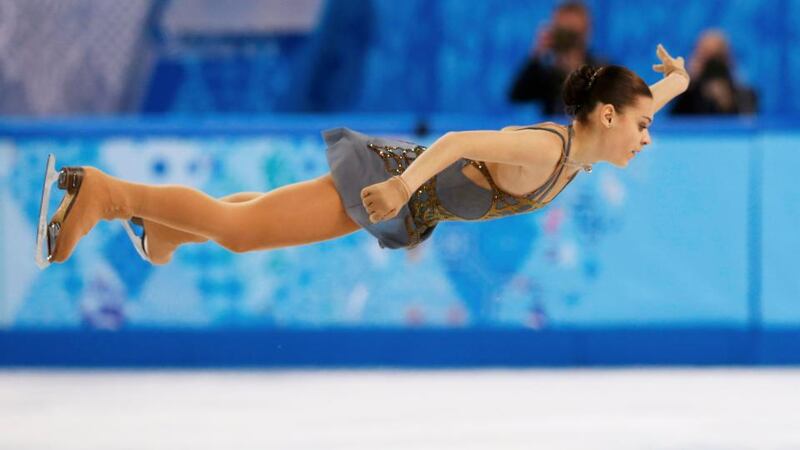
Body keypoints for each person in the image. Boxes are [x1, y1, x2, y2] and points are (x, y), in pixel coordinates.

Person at [35, 44, 690, 269]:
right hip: (386, 183)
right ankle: (105, 194)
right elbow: (458, 143)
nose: (647, 136)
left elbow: (648, 95)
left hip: (398, 194)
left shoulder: (582, 147)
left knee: (247, 215)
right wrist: (404, 191)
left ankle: (162, 230)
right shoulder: (543, 150)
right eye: (643, 125)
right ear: (606, 117)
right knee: (239, 232)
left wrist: (678, 81)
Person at [508, 1, 604, 115]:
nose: (569, 40)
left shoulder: (601, 70)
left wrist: (576, 69)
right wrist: (536, 55)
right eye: (564, 32)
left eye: (573, 34)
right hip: (551, 130)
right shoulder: (546, 72)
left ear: (587, 32)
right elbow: (516, 96)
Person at [670, 29, 757, 115]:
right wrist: (687, 81)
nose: (711, 66)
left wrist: (728, 102)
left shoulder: (744, 93)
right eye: (704, 55)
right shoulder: (686, 92)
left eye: (716, 56)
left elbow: (749, 122)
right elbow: (673, 120)